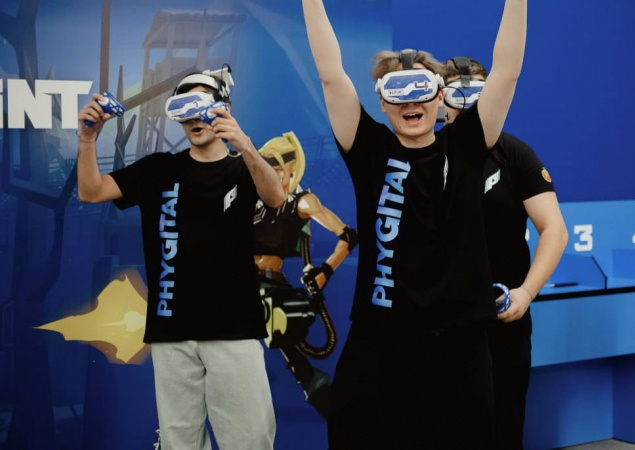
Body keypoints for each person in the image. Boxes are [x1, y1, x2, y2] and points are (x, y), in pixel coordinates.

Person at [301, 0, 527, 447]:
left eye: (421, 89)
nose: (411, 102)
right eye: (397, 92)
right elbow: (330, 74)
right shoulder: (368, 149)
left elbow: (506, 73)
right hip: (380, 340)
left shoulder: (467, 145)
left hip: (460, 343)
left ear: (440, 97)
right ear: (383, 102)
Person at [76, 67, 284, 450]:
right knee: (178, 444)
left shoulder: (244, 168)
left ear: (224, 108)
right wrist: (88, 139)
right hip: (171, 333)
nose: (193, 117)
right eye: (184, 107)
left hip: (234, 330)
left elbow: (276, 197)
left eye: (201, 104)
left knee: (250, 442)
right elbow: (91, 192)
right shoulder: (159, 169)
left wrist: (245, 146)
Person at [441, 56, 568, 450]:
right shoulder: (424, 154)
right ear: (440, 98)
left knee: (503, 423)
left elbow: (555, 230)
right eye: (457, 93)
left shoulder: (515, 155)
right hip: (441, 319)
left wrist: (526, 292)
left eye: (477, 93)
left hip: (503, 314)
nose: (466, 103)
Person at [253, 132, 358, 419]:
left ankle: (329, 405)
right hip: (242, 286)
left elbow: (348, 236)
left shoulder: (301, 202)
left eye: (275, 169)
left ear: (289, 169)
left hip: (269, 286)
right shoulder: (254, 203)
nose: (268, 176)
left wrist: (325, 271)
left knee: (293, 355)